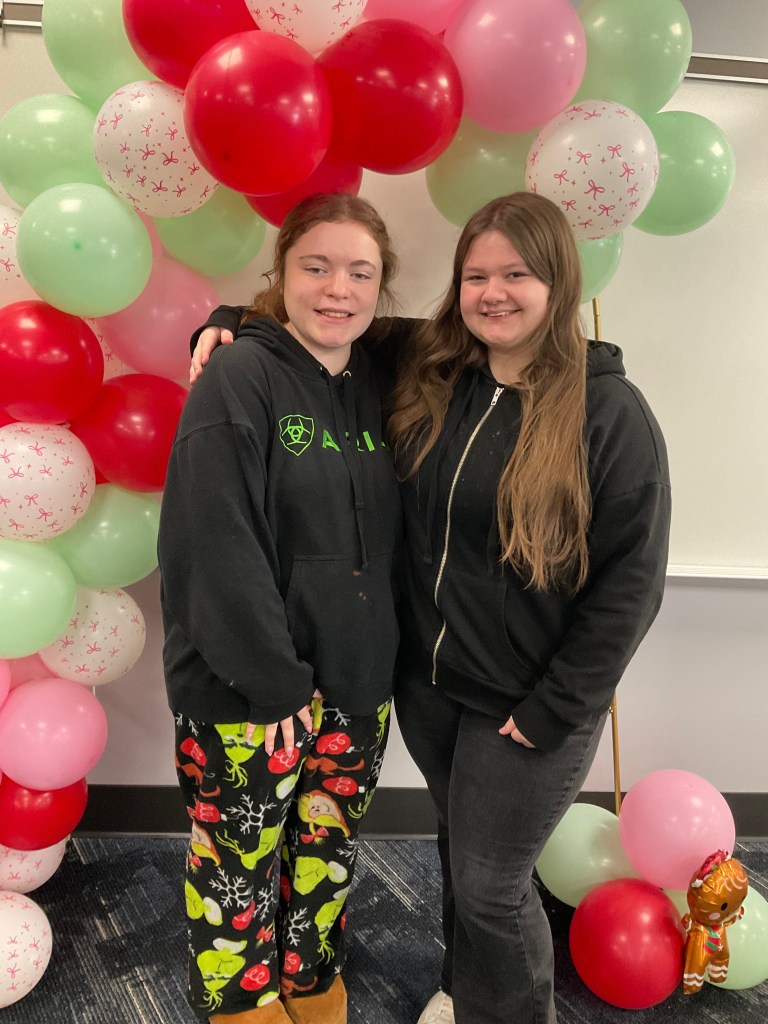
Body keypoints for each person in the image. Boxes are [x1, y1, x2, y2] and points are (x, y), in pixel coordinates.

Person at [190, 190, 671, 1024]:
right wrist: (231, 318)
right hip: (432, 688)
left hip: (528, 703)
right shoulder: (436, 365)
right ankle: (463, 989)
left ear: (558, 281)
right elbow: (325, 317)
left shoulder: (610, 412)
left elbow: (633, 582)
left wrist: (558, 706)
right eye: (476, 276)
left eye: (517, 275)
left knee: (492, 887)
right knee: (462, 853)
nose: (494, 293)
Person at [158, 193, 403, 1024]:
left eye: (360, 272)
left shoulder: (384, 374)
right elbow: (212, 545)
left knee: (325, 850)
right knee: (238, 859)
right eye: (317, 266)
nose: (338, 289)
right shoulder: (240, 376)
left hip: (358, 679)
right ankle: (239, 996)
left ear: (381, 287)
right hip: (249, 689)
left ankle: (307, 971)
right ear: (281, 271)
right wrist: (274, 683)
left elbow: (489, 331)